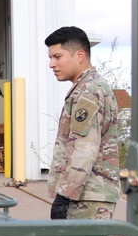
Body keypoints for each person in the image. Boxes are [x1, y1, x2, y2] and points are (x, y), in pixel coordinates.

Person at [45, 26, 120, 220]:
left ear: (80, 55)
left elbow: (84, 148)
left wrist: (64, 195)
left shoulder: (89, 92)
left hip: (87, 199)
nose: (52, 64)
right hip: (85, 196)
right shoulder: (86, 88)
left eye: (57, 57)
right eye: (50, 58)